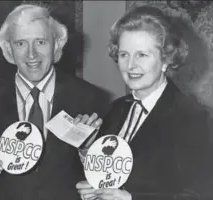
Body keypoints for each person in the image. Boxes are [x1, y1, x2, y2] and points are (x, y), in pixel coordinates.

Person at [0, 3, 108, 200]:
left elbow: (103, 172)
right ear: (8, 48)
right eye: (21, 43)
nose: (31, 54)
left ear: (56, 44)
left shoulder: (89, 97)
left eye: (40, 42)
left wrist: (86, 149)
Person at [76, 5, 213, 200]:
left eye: (142, 55)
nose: (131, 65)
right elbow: (115, 175)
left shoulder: (194, 118)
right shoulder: (116, 109)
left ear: (166, 59)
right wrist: (92, 175)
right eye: (124, 54)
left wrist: (131, 199)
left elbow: (199, 195)